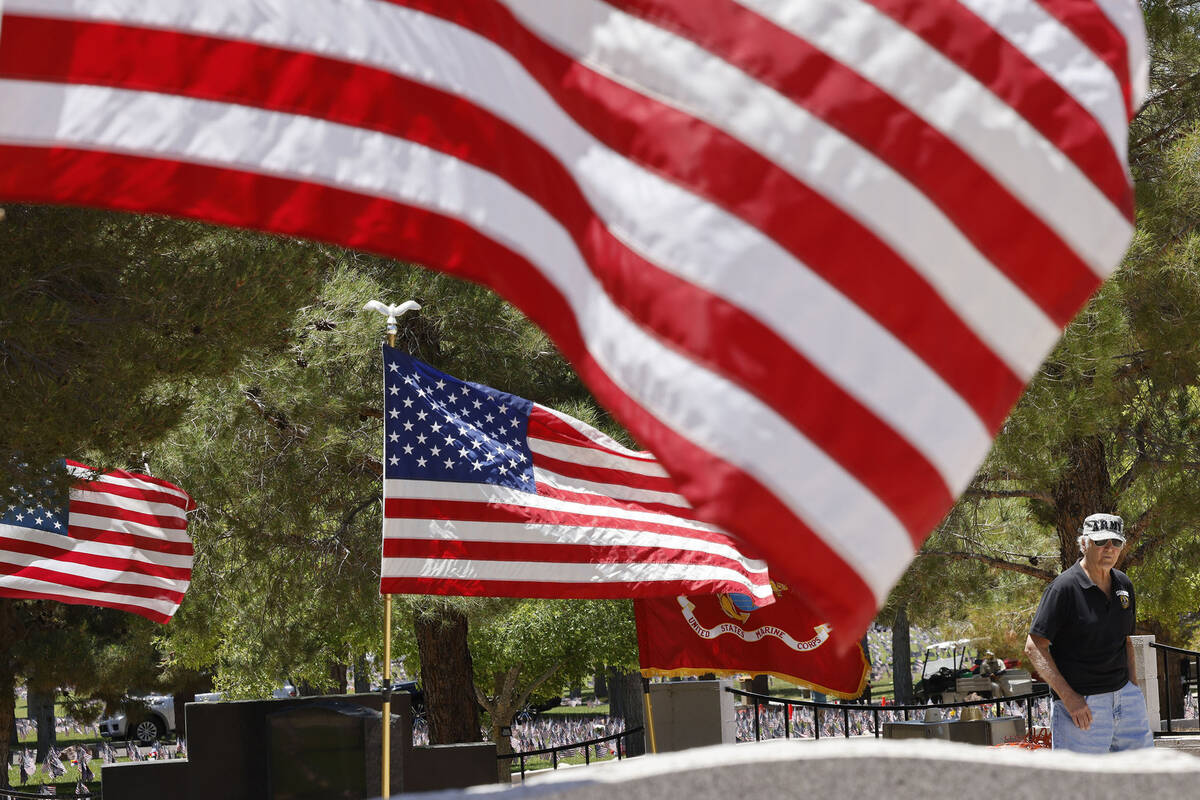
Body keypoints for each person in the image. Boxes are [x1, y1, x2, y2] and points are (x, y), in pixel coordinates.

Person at [1024, 513, 1154, 752]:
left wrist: (1133, 690)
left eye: (1115, 542)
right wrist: (1070, 698)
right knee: (1082, 786)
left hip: (1126, 701)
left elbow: (1125, 641)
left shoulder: (1123, 585)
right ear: (1084, 544)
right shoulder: (1063, 588)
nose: (1109, 548)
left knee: (1140, 781)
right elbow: (1034, 647)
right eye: (1101, 541)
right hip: (1083, 707)